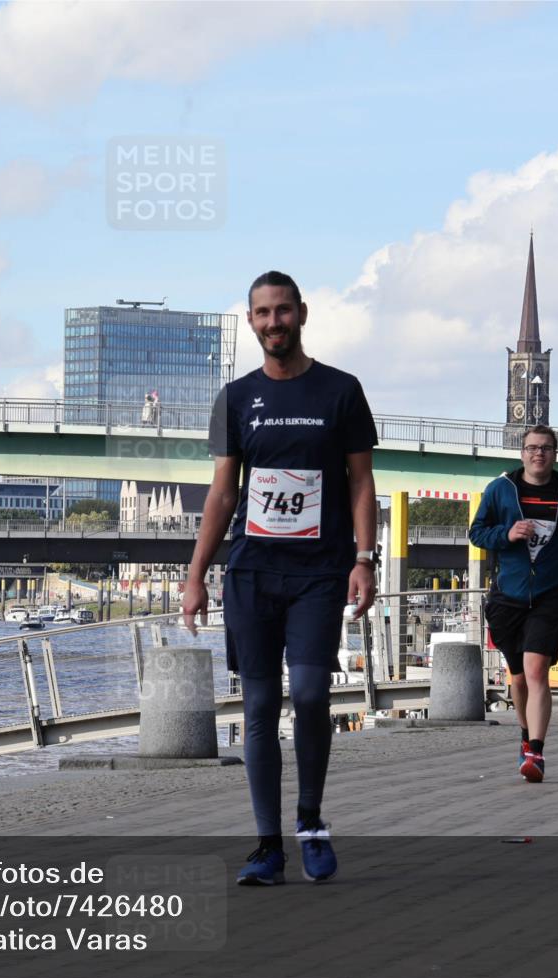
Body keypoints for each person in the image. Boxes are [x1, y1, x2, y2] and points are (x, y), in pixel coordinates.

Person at [182, 270, 378, 886]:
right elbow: (221, 495)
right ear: (251, 321)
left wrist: (364, 559)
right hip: (252, 573)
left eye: (283, 311)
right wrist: (195, 576)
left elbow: (361, 483)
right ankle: (268, 847)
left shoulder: (340, 391)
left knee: (314, 696)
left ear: (302, 314)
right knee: (262, 706)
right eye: (263, 314)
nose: (274, 323)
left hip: (320, 574)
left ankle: (312, 822)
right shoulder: (237, 400)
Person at [469, 425, 558, 784]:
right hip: (507, 597)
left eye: (545, 448)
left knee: (538, 671)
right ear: (522, 453)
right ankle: (525, 737)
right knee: (519, 677)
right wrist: (506, 534)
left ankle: (537, 753)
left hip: (549, 595)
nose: (538, 454)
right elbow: (477, 532)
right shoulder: (500, 489)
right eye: (532, 448)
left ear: (555, 453)